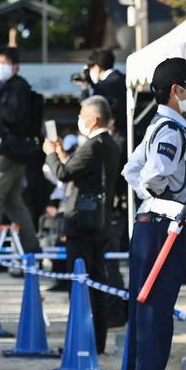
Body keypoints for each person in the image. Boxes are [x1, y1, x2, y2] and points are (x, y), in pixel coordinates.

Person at [123, 57, 186, 370]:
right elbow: (154, 175)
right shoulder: (171, 130)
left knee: (146, 320)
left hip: (153, 227)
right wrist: (163, 200)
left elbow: (131, 171)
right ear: (176, 90)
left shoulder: (159, 125)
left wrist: (151, 196)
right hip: (164, 230)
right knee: (155, 321)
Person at [43, 96, 121, 354]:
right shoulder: (109, 144)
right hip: (100, 222)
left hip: (82, 223)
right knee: (97, 283)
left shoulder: (93, 145)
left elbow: (64, 173)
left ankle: (80, 342)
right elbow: (79, 169)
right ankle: (95, 342)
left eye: (81, 115)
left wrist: (52, 155)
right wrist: (64, 155)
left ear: (93, 119)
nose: (79, 120)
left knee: (81, 284)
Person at [0, 47, 42, 253]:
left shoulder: (20, 87)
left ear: (15, 66)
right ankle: (32, 248)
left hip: (11, 150)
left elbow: (13, 115)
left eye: (4, 62)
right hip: (4, 148)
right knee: (13, 204)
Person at [84, 49, 127, 148]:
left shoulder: (102, 86)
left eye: (91, 68)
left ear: (97, 67)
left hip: (114, 137)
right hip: (130, 133)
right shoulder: (124, 78)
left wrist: (85, 89)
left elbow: (91, 109)